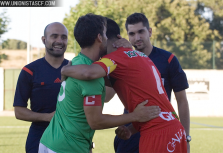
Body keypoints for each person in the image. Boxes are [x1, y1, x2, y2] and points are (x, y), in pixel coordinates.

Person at [60, 17, 188, 153]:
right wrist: (131, 129)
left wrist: (64, 69)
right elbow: (148, 99)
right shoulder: (140, 56)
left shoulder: (115, 58)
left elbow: (89, 73)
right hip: (174, 129)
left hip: (157, 134)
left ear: (104, 38)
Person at [39, 14, 161, 153]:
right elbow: (95, 121)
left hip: (49, 140)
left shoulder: (77, 62)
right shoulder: (91, 74)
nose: (108, 38)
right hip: (67, 147)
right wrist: (135, 116)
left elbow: (113, 86)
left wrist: (126, 50)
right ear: (99, 37)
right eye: (105, 34)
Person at [112, 13, 190, 153]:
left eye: (141, 31)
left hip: (160, 130)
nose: (137, 37)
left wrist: (186, 137)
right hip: (131, 129)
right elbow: (107, 97)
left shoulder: (168, 59)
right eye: (132, 33)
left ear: (150, 31)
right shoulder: (122, 61)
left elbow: (182, 100)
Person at [13, 22, 69, 153]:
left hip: (70, 136)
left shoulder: (75, 69)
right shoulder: (30, 71)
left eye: (64, 37)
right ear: (44, 40)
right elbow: (19, 111)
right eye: (54, 36)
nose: (59, 41)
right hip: (39, 136)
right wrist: (48, 117)